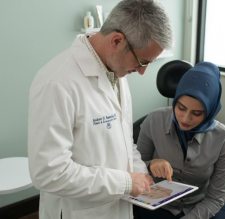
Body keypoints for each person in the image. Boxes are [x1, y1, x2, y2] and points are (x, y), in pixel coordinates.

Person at [27, 0, 172, 219]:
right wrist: (124, 182)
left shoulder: (116, 71)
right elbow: (49, 173)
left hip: (117, 205)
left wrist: (141, 175)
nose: (142, 72)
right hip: (78, 212)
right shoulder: (56, 82)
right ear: (116, 40)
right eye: (143, 62)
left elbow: (123, 140)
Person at [134, 62, 225, 219]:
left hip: (200, 204)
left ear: (210, 111)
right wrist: (150, 164)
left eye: (196, 113)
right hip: (159, 203)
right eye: (181, 108)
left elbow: (216, 199)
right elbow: (135, 168)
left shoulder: (223, 138)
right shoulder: (153, 120)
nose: (185, 119)